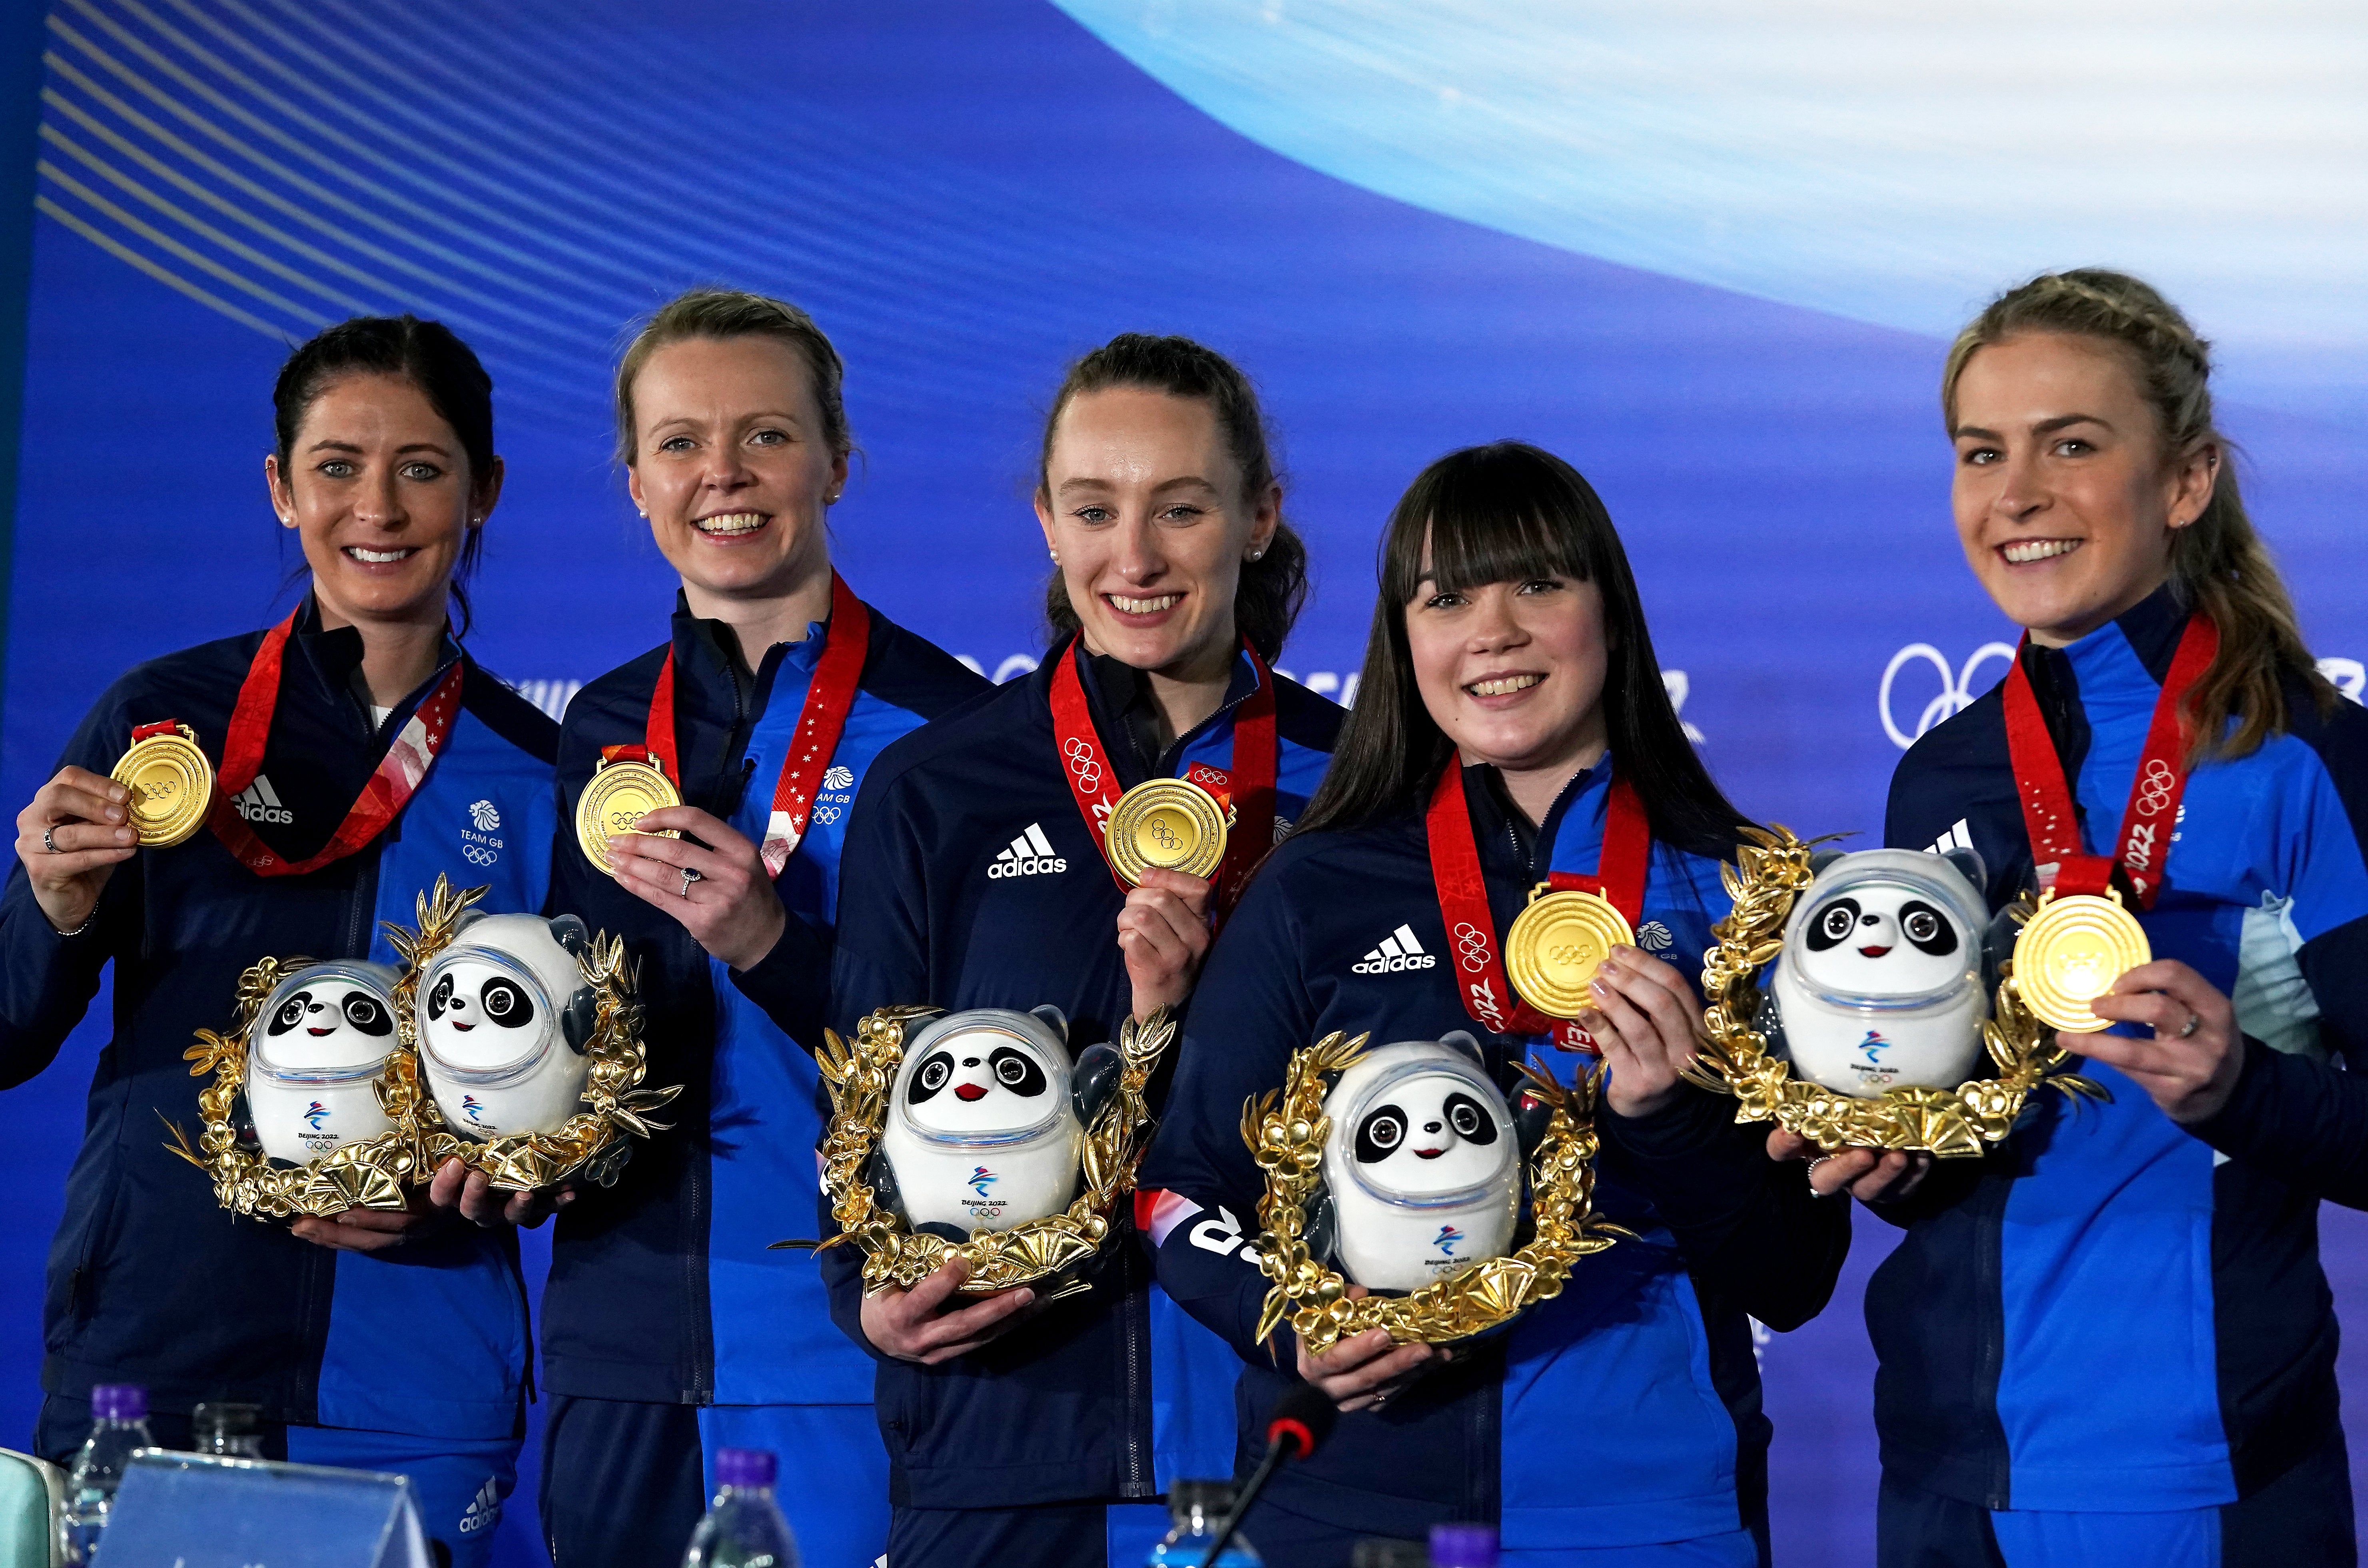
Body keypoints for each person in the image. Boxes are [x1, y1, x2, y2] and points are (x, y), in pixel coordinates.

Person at [1141, 441, 1851, 1566]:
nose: (1493, 631)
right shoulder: (1312, 885)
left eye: (1536, 583)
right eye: (1447, 596)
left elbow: (1794, 1276)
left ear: (1607, 611)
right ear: (1402, 638)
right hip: (1353, 1509)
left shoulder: (1739, 892)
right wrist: (1288, 1325)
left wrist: (1666, 1115)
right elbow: (1177, 1190)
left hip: (1645, 1513)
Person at [1799, 269, 2367, 1566]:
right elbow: (1964, 1137)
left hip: (2205, 1477)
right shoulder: (1939, 774)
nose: (2016, 494)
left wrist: (2242, 1089)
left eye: (2071, 444)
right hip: (1946, 1473)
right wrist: (1889, 1142)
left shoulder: (2303, 759)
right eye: (1980, 452)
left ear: (2184, 481)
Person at [2, 316, 561, 1566]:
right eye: (336, 465)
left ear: (486, 493)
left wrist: (492, 1181)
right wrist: (54, 905)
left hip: (413, 1368)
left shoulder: (542, 776)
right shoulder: (161, 724)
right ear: (279, 487)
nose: (379, 505)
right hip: (154, 1350)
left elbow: (573, 1116)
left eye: (423, 466)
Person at [825, 333, 1345, 1566]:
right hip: (1005, 1435)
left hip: (1285, 1443)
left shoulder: (1363, 781)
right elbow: (857, 1099)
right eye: (1093, 508)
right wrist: (866, 1297)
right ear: (1046, 524)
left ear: (1258, 516)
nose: (1135, 556)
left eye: (1181, 508)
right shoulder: (937, 786)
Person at [535, 289, 988, 1568]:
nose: (719, 475)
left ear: (838, 460)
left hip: (839, 1341)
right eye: (679, 442)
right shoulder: (601, 728)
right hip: (619, 1344)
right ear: (632, 481)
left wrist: (769, 942)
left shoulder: (949, 729)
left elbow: (978, 1051)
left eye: (766, 436)